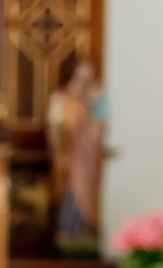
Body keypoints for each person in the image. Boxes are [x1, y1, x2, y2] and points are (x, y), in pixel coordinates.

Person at [47, 58, 108, 255]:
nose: (83, 82)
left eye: (88, 77)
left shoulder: (96, 96)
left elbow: (99, 126)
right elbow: (56, 128)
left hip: (88, 157)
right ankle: (67, 232)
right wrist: (61, 152)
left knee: (87, 194)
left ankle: (85, 233)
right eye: (79, 76)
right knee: (70, 192)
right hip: (70, 155)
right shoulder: (62, 98)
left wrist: (90, 104)